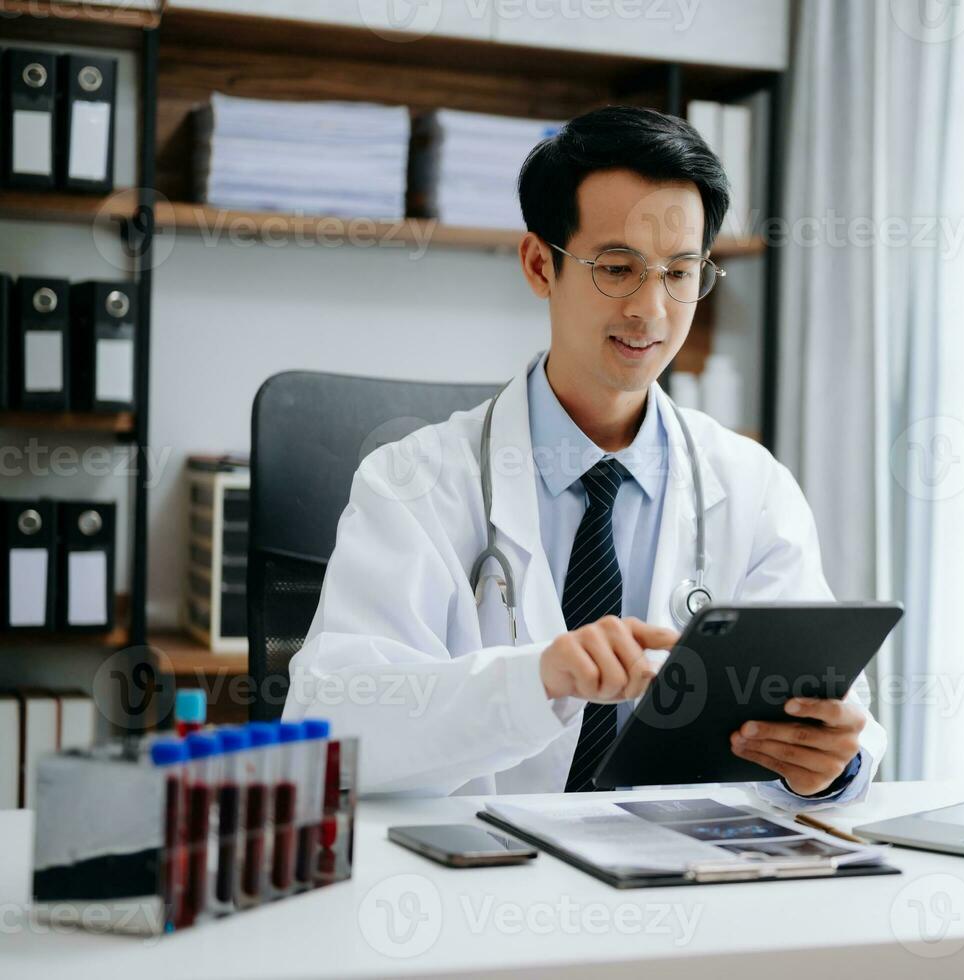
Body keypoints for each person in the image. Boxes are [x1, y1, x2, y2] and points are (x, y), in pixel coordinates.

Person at [283, 106, 885, 808]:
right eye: (618, 268)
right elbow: (328, 732)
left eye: (680, 273)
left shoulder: (751, 488)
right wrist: (535, 680)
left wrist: (830, 767)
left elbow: (838, 713)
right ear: (541, 264)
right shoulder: (412, 483)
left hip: (683, 886)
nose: (651, 311)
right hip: (476, 887)